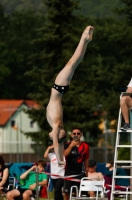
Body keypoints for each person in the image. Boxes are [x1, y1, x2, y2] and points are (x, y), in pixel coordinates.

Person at [46, 26, 94, 165]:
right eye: (65, 135)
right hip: (59, 89)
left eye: (62, 135)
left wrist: (60, 159)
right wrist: (62, 158)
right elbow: (60, 144)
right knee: (73, 63)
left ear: (54, 135)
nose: (64, 133)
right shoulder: (58, 124)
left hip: (59, 89)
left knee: (74, 62)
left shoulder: (55, 125)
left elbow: (57, 143)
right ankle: (84, 39)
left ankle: (85, 40)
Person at [64, 127, 89, 200]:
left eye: (78, 133)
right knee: (67, 194)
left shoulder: (85, 146)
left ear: (81, 135)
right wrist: (71, 146)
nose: (76, 135)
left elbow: (86, 159)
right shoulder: (67, 144)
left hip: (80, 173)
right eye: (74, 133)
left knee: (80, 194)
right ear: (71, 135)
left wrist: (86, 174)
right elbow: (65, 154)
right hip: (68, 173)